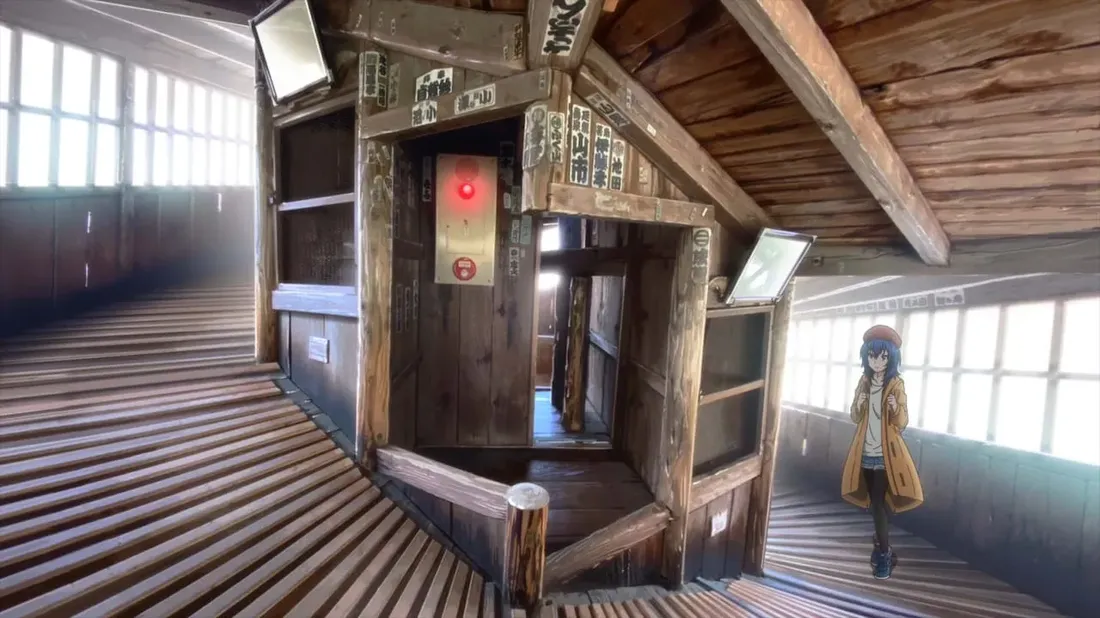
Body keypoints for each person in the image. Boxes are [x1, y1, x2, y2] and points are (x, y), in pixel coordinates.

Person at [840, 325, 924, 580]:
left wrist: (896, 406)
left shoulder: (896, 384)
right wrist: (859, 403)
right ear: (866, 357)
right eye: (873, 356)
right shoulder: (864, 382)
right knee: (875, 503)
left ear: (892, 358)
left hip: (887, 453)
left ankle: (884, 553)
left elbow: (901, 422)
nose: (877, 361)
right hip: (864, 449)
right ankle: (882, 542)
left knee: (877, 501)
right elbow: (855, 416)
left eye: (883, 357)